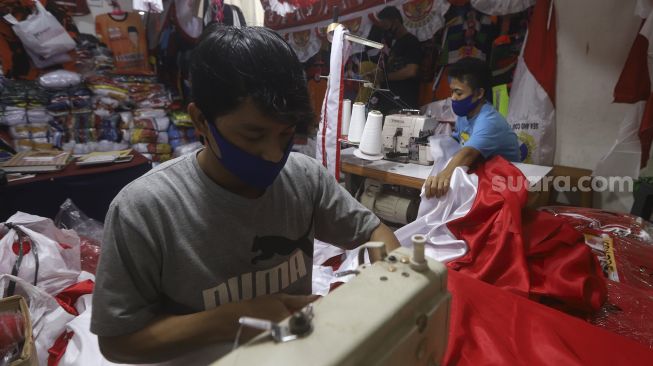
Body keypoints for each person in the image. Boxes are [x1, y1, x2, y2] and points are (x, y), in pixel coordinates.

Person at [90, 25, 401, 364]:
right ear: (200, 121)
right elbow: (118, 341)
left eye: (285, 134)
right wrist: (227, 320)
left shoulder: (303, 177)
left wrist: (388, 286)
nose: (271, 154)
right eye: (252, 135)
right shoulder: (145, 209)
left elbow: (374, 232)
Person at [424, 57, 520, 199]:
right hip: (481, 175)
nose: (453, 98)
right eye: (452, 92)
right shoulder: (465, 114)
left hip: (506, 185)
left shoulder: (488, 121)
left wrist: (443, 176)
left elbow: (468, 153)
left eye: (459, 93)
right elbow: (458, 141)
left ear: (479, 93)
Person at [372, 6, 421, 113]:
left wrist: (385, 77)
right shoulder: (396, 44)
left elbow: (411, 71)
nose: (385, 29)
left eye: (386, 25)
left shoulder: (411, 42)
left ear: (396, 21)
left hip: (404, 102)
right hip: (390, 101)